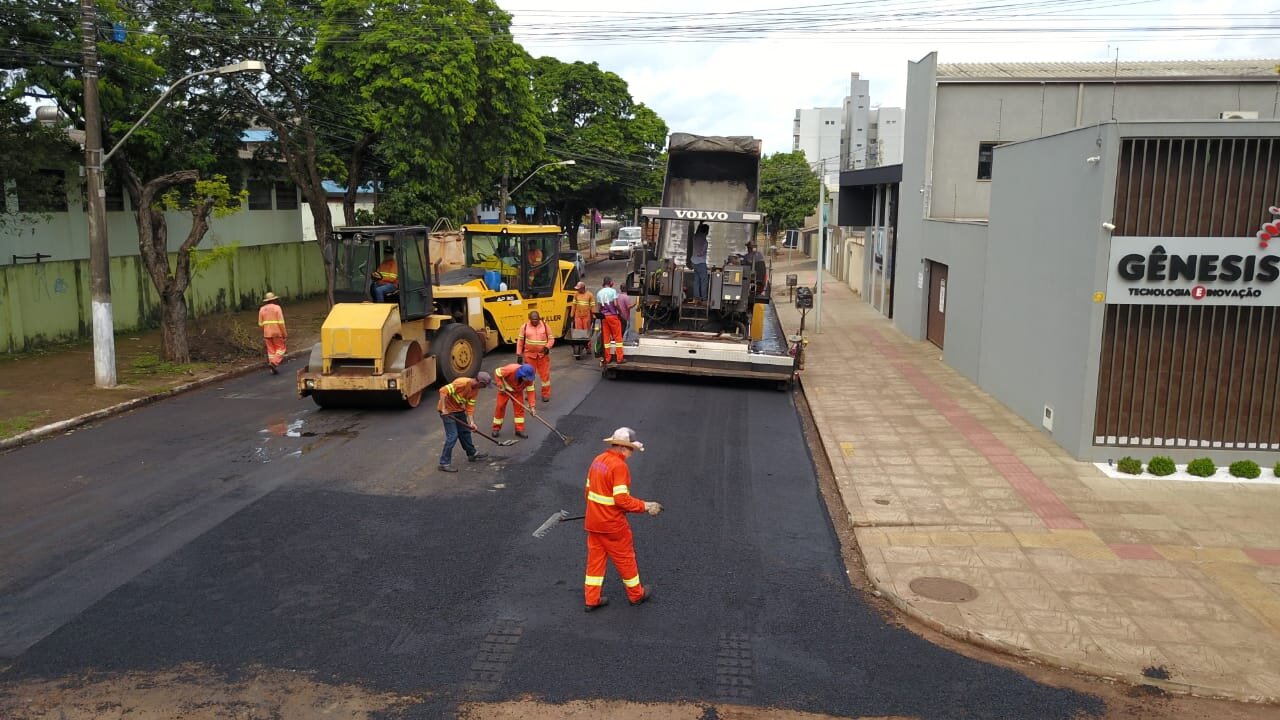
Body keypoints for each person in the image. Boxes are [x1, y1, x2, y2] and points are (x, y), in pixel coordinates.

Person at [583, 427, 662, 612]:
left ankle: (591, 599)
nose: (631, 453)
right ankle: (636, 595)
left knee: (595, 562)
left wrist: (599, 510)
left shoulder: (597, 460)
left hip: (593, 522)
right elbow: (621, 499)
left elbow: (588, 492)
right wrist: (646, 506)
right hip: (613, 525)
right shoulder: (619, 466)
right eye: (631, 449)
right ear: (624, 448)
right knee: (625, 559)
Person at [437, 371, 492, 472]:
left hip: (459, 411)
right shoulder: (461, 383)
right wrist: (444, 409)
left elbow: (470, 407)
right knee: (453, 436)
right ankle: (444, 463)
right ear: (480, 382)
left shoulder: (475, 390)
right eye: (485, 385)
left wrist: (472, 422)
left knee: (465, 432)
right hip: (447, 412)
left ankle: (472, 454)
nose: (484, 388)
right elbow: (443, 391)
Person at [516, 310, 555, 403]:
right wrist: (519, 354)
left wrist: (547, 347)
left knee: (545, 377)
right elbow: (520, 341)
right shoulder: (524, 327)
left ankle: (545, 394)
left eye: (537, 319)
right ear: (529, 319)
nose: (535, 321)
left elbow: (551, 339)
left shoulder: (545, 326)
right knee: (528, 376)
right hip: (529, 356)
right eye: (533, 319)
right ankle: (529, 394)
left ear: (539, 318)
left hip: (542, 356)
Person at [492, 362, 537, 438]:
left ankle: (519, 430)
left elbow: (531, 392)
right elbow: (497, 372)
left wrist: (532, 407)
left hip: (517, 392)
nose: (528, 380)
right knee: (500, 407)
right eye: (527, 378)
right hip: (504, 390)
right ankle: (496, 428)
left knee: (519, 409)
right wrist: (500, 384)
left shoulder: (529, 379)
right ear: (522, 375)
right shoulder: (511, 369)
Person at [596, 276, 624, 366]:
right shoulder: (613, 291)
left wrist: (602, 312)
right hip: (613, 316)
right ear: (610, 282)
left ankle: (607, 358)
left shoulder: (599, 293)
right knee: (618, 337)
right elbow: (615, 304)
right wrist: (620, 312)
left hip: (604, 318)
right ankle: (619, 358)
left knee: (606, 339)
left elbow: (599, 307)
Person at [257, 291, 287, 374]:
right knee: (281, 348)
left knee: (271, 351)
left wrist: (265, 330)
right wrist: (284, 333)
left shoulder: (262, 309)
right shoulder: (277, 308)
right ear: (274, 300)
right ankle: (274, 363)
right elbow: (281, 323)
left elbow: (260, 324)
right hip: (277, 332)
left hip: (267, 333)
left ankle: (272, 367)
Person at [571, 281, 597, 360]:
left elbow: (592, 306)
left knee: (586, 333)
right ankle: (578, 347)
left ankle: (588, 347)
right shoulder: (576, 295)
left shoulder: (589, 295)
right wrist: (572, 315)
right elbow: (574, 305)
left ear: (583, 288)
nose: (578, 290)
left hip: (586, 317)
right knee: (578, 332)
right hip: (578, 316)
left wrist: (594, 315)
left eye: (579, 289)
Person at [690, 223, 709, 302]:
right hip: (701, 263)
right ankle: (704, 298)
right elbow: (701, 253)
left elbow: (697, 232)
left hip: (693, 262)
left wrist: (700, 223)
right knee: (704, 281)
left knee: (696, 280)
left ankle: (696, 297)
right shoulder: (705, 242)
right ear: (706, 232)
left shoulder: (695, 237)